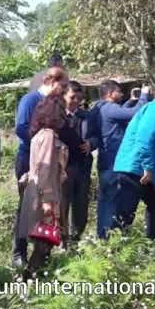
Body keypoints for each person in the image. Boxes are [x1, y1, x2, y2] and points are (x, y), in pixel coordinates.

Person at [13, 67, 69, 266]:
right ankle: (23, 259)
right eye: (63, 86)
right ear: (51, 81)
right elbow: (21, 128)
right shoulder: (31, 101)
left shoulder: (46, 133)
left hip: (40, 167)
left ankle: (33, 267)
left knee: (38, 221)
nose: (64, 90)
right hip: (34, 165)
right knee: (33, 216)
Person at [88, 80, 149, 238]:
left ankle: (102, 236)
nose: (121, 94)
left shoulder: (98, 108)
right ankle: (109, 237)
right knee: (113, 200)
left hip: (104, 159)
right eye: (118, 92)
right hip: (113, 161)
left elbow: (121, 113)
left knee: (105, 199)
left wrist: (131, 100)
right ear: (109, 93)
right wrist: (144, 96)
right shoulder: (109, 108)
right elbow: (135, 113)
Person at [113, 91, 155, 239]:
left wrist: (154, 177)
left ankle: (150, 240)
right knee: (126, 211)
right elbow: (145, 137)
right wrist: (148, 168)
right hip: (135, 168)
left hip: (142, 169)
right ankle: (116, 248)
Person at [59, 81, 95, 246]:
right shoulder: (58, 117)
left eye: (79, 98)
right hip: (63, 168)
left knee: (81, 205)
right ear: (64, 96)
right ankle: (61, 241)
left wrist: (91, 144)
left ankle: (76, 239)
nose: (75, 101)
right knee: (62, 205)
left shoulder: (86, 116)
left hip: (83, 166)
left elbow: (98, 136)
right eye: (72, 97)